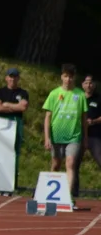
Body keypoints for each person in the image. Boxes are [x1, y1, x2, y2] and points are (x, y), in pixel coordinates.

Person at [42, 64, 88, 208]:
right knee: (56, 164)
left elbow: (83, 118)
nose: (68, 79)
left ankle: (68, 197)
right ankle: (50, 194)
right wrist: (47, 137)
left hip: (74, 136)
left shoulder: (80, 95)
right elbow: (48, 117)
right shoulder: (54, 94)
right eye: (66, 76)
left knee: (70, 163)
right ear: (62, 76)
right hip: (56, 136)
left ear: (74, 78)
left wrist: (85, 137)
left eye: (71, 77)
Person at [0, 68, 30, 191]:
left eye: (15, 77)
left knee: (14, 153)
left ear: (18, 78)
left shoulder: (23, 93)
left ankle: (12, 182)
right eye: (10, 76)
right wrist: (15, 107)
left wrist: (7, 105)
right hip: (1, 123)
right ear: (6, 78)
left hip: (16, 122)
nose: (12, 79)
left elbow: (23, 107)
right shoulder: (0, 91)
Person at [82, 74, 101, 170]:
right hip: (79, 135)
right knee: (73, 162)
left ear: (95, 84)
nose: (88, 85)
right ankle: (73, 184)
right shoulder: (78, 98)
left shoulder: (99, 98)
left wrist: (93, 121)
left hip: (95, 136)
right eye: (86, 83)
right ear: (82, 85)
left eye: (91, 83)